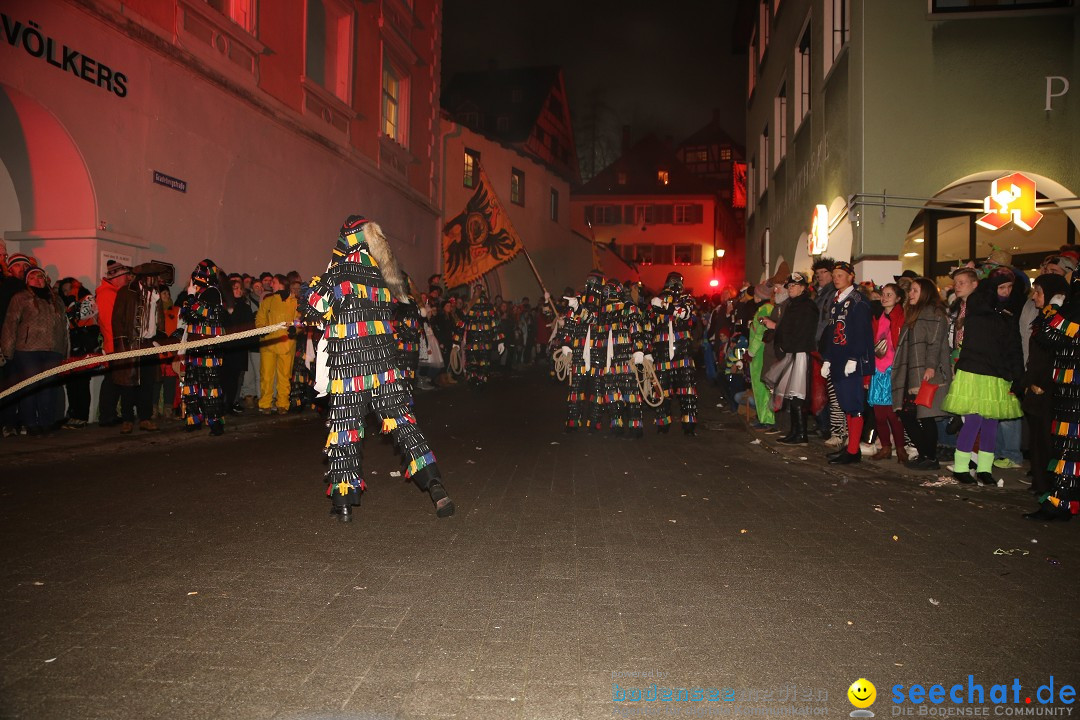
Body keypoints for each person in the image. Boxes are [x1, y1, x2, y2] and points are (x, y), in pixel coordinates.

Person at [302, 215, 454, 522]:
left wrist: (313, 290)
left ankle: (343, 505)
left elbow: (313, 307)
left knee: (345, 430)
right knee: (404, 425)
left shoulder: (340, 273)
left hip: (350, 370)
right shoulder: (383, 275)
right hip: (385, 368)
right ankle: (436, 486)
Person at [941, 269, 1023, 485]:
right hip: (975, 370)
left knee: (991, 423)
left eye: (1009, 288)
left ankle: (985, 469)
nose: (1005, 292)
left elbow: (1013, 346)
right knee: (974, 420)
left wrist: (1017, 374)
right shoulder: (978, 306)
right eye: (1001, 287)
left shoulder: (1007, 313)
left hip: (996, 373)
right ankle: (961, 467)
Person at [890, 277, 951, 470]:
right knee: (906, 414)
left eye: (916, 290)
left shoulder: (934, 313)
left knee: (926, 415)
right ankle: (925, 453)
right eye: (911, 291)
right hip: (911, 371)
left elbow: (935, 342)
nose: (911, 294)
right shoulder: (915, 313)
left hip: (926, 372)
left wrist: (930, 367)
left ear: (925, 293)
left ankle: (930, 457)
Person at [1, 266, 68, 435]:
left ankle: (46, 422)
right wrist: (7, 350)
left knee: (48, 386)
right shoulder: (21, 298)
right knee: (30, 386)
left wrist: (64, 350)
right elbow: (10, 324)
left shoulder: (56, 300)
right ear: (27, 281)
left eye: (41, 277)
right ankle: (30, 423)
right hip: (27, 349)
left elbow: (63, 327)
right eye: (33, 277)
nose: (38, 280)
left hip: (53, 349)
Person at [822, 261, 874, 465]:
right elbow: (831, 332)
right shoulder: (836, 300)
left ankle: (853, 451)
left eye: (840, 275)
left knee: (854, 405)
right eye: (834, 275)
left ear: (851, 277)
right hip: (837, 360)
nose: (836, 278)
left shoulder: (858, 301)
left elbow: (861, 332)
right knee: (844, 405)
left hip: (850, 361)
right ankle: (850, 447)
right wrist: (827, 358)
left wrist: (854, 356)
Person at [1021, 273, 1069, 499]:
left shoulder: (1058, 320)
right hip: (1035, 386)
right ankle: (1041, 483)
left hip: (1049, 389)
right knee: (1037, 440)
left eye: (1038, 292)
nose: (1034, 297)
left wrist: (1041, 382)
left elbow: (1053, 355)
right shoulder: (1044, 318)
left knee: (1047, 441)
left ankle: (1049, 487)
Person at [111, 268, 166, 433]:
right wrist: (122, 345)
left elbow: (160, 320)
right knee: (128, 383)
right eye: (153, 277)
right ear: (144, 278)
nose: (155, 281)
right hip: (131, 344)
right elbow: (117, 320)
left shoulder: (156, 296)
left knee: (148, 384)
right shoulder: (126, 293)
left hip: (149, 344)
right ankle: (127, 419)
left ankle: (145, 418)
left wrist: (160, 340)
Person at [180, 259, 228, 435]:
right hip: (195, 346)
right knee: (192, 382)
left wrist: (191, 297)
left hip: (209, 348)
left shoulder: (213, 293)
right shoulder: (201, 293)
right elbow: (187, 314)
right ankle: (194, 419)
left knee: (209, 383)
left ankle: (215, 422)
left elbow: (201, 312)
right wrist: (191, 298)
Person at [647, 271, 699, 435]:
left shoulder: (687, 300)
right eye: (672, 282)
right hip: (661, 352)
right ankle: (663, 424)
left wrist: (665, 306)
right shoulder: (655, 302)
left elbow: (685, 313)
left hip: (682, 351)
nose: (674, 285)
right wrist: (647, 352)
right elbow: (648, 326)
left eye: (678, 282)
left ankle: (689, 425)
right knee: (661, 389)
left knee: (687, 389)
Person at [772, 272, 817, 444]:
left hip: (800, 353)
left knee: (798, 393)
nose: (790, 289)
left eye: (794, 286)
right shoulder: (793, 305)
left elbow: (804, 332)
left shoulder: (807, 306)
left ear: (803, 288)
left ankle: (801, 433)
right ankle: (795, 431)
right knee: (791, 394)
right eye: (789, 286)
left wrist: (789, 346)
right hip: (791, 352)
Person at [868, 283, 906, 462]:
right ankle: (885, 447)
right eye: (883, 294)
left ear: (898, 299)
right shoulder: (877, 316)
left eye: (889, 295)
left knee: (893, 414)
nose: (884, 297)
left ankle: (900, 449)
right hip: (877, 369)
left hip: (893, 369)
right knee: (879, 415)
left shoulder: (901, 317)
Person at [58, 278, 99, 429]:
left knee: (82, 383)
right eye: (64, 291)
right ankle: (73, 414)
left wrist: (72, 301)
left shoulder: (88, 298)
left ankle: (81, 416)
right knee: (71, 383)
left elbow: (82, 315)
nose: (67, 292)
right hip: (71, 348)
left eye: (69, 289)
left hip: (84, 347)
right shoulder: (65, 304)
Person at [255, 274, 297, 414]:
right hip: (269, 343)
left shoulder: (294, 302)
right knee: (266, 376)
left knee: (284, 375)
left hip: (286, 344)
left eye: (274, 282)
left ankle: (283, 404)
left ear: (282, 284)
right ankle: (265, 404)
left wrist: (295, 329)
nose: (271, 285)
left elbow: (300, 319)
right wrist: (261, 329)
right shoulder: (268, 301)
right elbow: (260, 318)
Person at [453, 285, 503, 387]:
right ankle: (478, 380)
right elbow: (495, 324)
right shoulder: (472, 307)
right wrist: (500, 341)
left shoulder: (481, 307)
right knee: (479, 362)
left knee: (475, 362)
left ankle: (476, 380)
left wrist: (456, 341)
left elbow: (461, 324)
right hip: (480, 340)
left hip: (479, 340)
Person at [222, 278, 256, 413]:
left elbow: (247, 325)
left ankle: (230, 403)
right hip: (226, 348)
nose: (239, 290)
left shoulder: (245, 307)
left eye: (240, 288)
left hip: (239, 347)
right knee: (225, 376)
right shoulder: (223, 307)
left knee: (236, 378)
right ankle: (222, 403)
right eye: (235, 288)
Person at [746, 282, 775, 431]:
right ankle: (763, 417)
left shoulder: (764, 310)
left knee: (762, 387)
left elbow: (760, 334)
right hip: (760, 353)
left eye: (756, 295)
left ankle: (767, 419)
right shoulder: (764, 308)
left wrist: (751, 351)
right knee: (760, 387)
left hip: (760, 354)